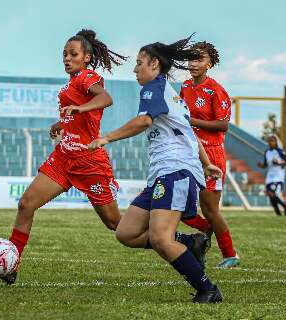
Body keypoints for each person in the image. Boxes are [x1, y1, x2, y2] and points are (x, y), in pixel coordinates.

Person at [0, 29, 206, 285]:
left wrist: (79, 108)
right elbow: (81, 117)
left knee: (116, 225)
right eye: (64, 54)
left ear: (87, 58)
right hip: (64, 157)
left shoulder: (87, 77)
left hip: (89, 161)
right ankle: (11, 262)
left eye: (73, 54)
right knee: (26, 204)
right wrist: (63, 122)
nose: (66, 58)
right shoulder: (73, 81)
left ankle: (185, 242)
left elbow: (105, 99)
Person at [89, 36, 223, 303]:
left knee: (161, 239)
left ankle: (208, 289)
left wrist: (107, 137)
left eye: (139, 63)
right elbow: (189, 134)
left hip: (175, 171)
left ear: (154, 64)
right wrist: (207, 164)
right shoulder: (171, 94)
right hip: (166, 173)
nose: (135, 68)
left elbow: (144, 121)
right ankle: (189, 243)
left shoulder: (154, 88)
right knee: (126, 233)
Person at [179, 41, 240, 269]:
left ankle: (230, 254)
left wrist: (191, 121)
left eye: (199, 59)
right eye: (191, 59)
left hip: (211, 155)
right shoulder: (185, 86)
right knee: (180, 205)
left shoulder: (216, 90)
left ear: (210, 64)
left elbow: (223, 125)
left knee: (210, 209)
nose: (193, 63)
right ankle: (204, 231)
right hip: (188, 152)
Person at [257, 135, 286, 216]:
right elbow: (265, 164)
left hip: (278, 176)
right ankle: (278, 212)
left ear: (276, 142)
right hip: (270, 176)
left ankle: (284, 206)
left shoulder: (280, 151)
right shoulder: (267, 152)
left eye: (272, 140)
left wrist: (279, 163)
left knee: (272, 193)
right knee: (269, 194)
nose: (270, 142)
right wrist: (261, 165)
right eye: (269, 141)